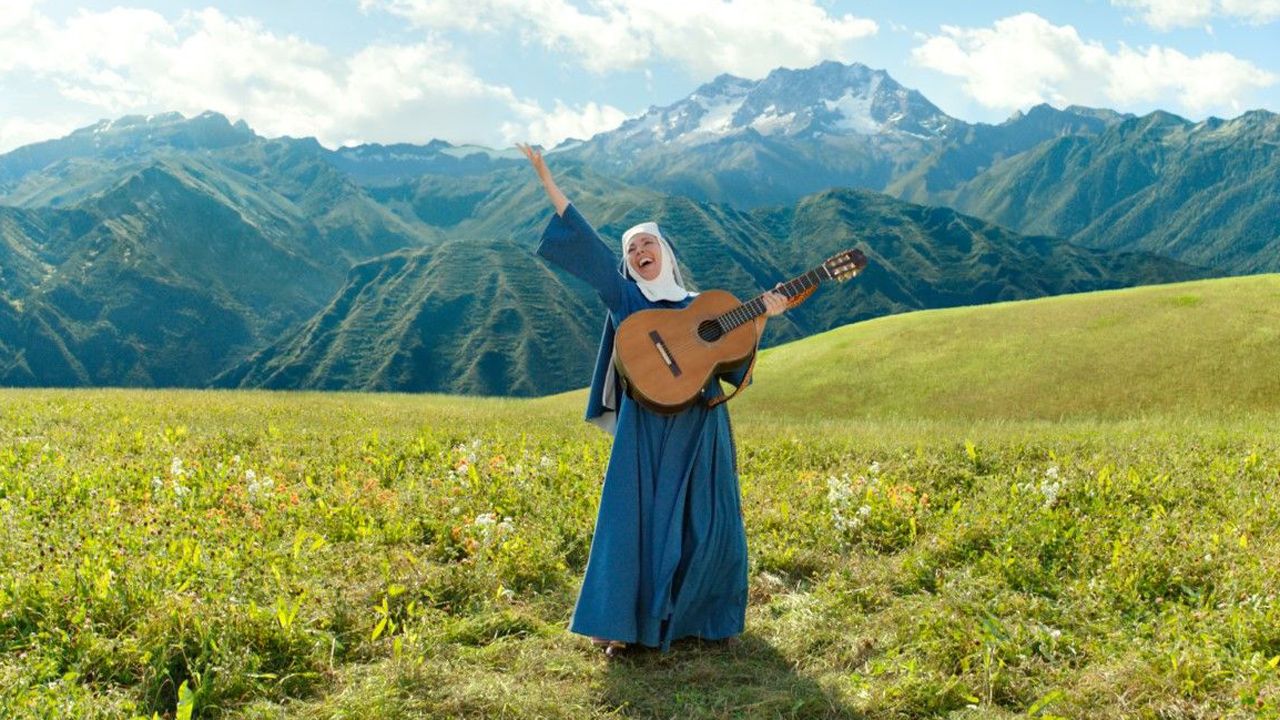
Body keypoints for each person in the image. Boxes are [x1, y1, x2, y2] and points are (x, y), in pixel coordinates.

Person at [518, 143, 788, 656]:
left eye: (648, 243)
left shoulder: (702, 307)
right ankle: (622, 625)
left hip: (700, 423)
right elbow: (587, 246)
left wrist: (762, 319)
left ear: (665, 252)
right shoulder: (626, 299)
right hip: (644, 425)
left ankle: (707, 620)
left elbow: (731, 365)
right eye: (632, 249)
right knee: (632, 521)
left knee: (708, 519)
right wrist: (546, 178)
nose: (640, 251)